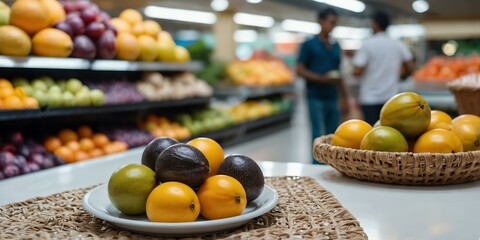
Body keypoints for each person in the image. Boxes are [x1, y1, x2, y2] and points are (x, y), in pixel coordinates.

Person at [296, 8, 350, 164]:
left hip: (332, 96)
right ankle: (316, 167)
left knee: (332, 136)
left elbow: (339, 74)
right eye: (331, 22)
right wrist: (320, 78)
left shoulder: (336, 46)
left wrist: (345, 97)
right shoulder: (309, 45)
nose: (333, 26)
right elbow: (300, 70)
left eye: (335, 23)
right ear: (321, 21)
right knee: (317, 134)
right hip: (315, 96)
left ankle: (330, 165)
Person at [352, 11, 415, 126]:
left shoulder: (367, 44)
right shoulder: (397, 44)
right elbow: (410, 67)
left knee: (371, 134)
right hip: (390, 98)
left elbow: (357, 71)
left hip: (369, 98)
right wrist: (400, 77)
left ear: (375, 24)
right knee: (390, 133)